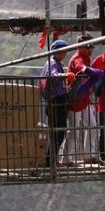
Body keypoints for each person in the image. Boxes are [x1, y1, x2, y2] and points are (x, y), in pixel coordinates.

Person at [65, 34, 103, 164]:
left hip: (84, 99)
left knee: (92, 126)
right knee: (74, 130)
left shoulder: (86, 57)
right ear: (82, 47)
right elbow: (82, 68)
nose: (91, 50)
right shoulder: (78, 58)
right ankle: (66, 158)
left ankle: (89, 156)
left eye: (91, 47)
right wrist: (94, 72)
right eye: (88, 47)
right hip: (74, 99)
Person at [40, 39, 72, 168]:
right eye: (63, 50)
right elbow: (53, 76)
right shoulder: (52, 63)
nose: (65, 53)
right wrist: (66, 76)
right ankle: (50, 160)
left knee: (58, 130)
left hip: (56, 99)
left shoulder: (55, 62)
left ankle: (51, 159)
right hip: (56, 101)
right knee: (59, 130)